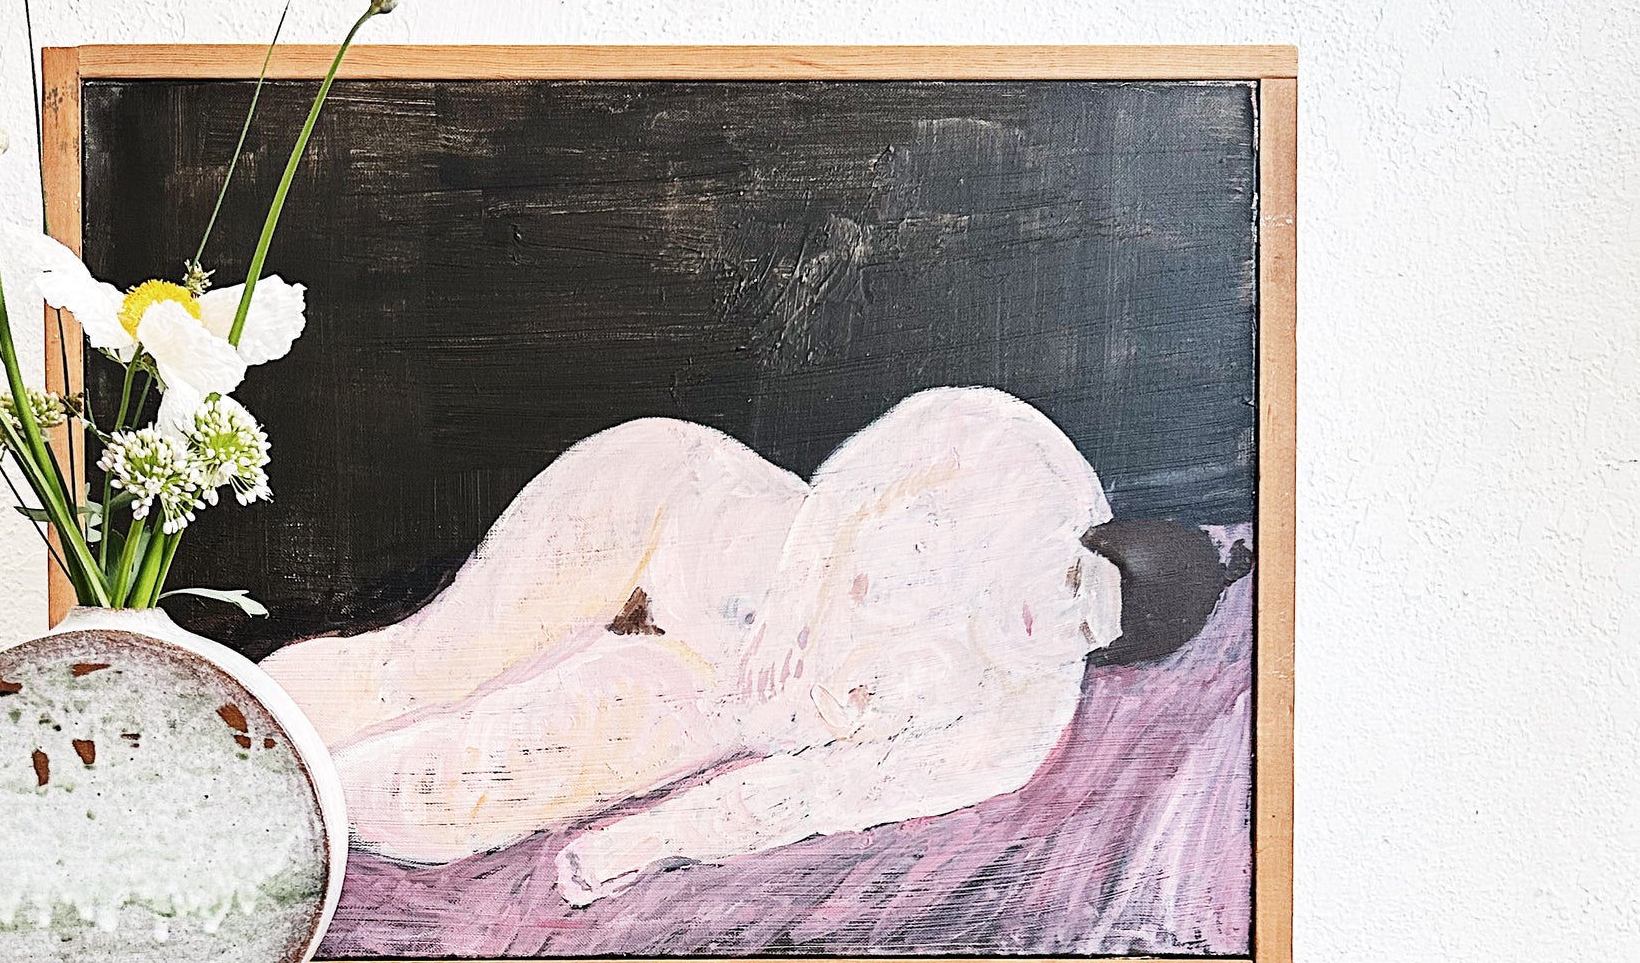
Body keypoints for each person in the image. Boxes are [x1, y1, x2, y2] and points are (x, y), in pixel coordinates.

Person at [265, 386, 1248, 906]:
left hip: (705, 694)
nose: (1051, 619)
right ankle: (225, 722)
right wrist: (791, 614)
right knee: (425, 669)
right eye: (1072, 584)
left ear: (1096, 659)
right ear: (1080, 542)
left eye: (1084, 631)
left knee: (454, 801)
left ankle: (259, 813)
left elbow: (817, 795)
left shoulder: (1013, 730)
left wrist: (642, 843)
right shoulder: (1019, 460)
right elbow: (860, 476)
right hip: (670, 508)